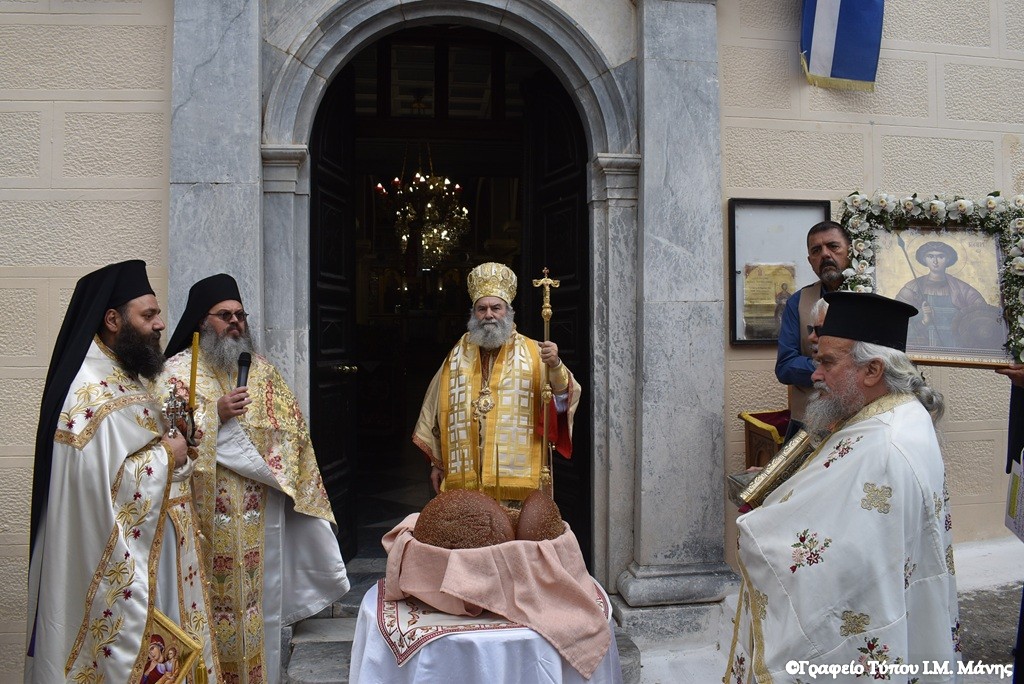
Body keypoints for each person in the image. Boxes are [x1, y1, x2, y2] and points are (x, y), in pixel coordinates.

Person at [727, 292, 960, 683]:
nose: (814, 374)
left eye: (827, 362)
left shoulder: (885, 446)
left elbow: (838, 557)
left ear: (872, 371)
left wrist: (763, 527)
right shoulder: (896, 411)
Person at [25, 260, 220, 683]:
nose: (160, 324)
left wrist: (177, 443)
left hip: (161, 554)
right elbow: (93, 485)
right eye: (147, 315)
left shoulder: (125, 375)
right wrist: (167, 455)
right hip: (134, 563)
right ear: (113, 319)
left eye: (158, 314)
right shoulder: (87, 393)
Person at [159, 273, 349, 683]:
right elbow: (164, 440)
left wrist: (282, 473)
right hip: (201, 519)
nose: (235, 323)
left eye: (240, 315)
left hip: (258, 521)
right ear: (200, 321)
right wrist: (216, 414)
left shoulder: (262, 371)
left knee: (255, 613)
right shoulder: (175, 372)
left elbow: (293, 432)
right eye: (224, 315)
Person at [413, 262, 582, 500]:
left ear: (508, 311)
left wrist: (555, 366)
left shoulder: (535, 352)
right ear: (474, 314)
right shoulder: (457, 354)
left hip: (518, 483)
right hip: (465, 478)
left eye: (496, 307)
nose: (488, 315)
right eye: (481, 309)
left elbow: (562, 401)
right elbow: (436, 410)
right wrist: (438, 463)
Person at [775, 220, 852, 436]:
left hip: (859, 421)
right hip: (810, 421)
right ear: (810, 261)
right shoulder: (797, 303)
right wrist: (833, 371)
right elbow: (786, 365)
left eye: (833, 246)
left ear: (850, 250)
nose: (825, 254)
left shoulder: (875, 297)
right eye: (816, 250)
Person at [895, 241, 990, 348]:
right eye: (930, 256)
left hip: (957, 347)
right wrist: (924, 320)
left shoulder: (963, 289)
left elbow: (983, 314)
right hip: (923, 347)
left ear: (948, 259)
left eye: (941, 256)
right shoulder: (912, 289)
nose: (935, 261)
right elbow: (897, 324)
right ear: (924, 259)